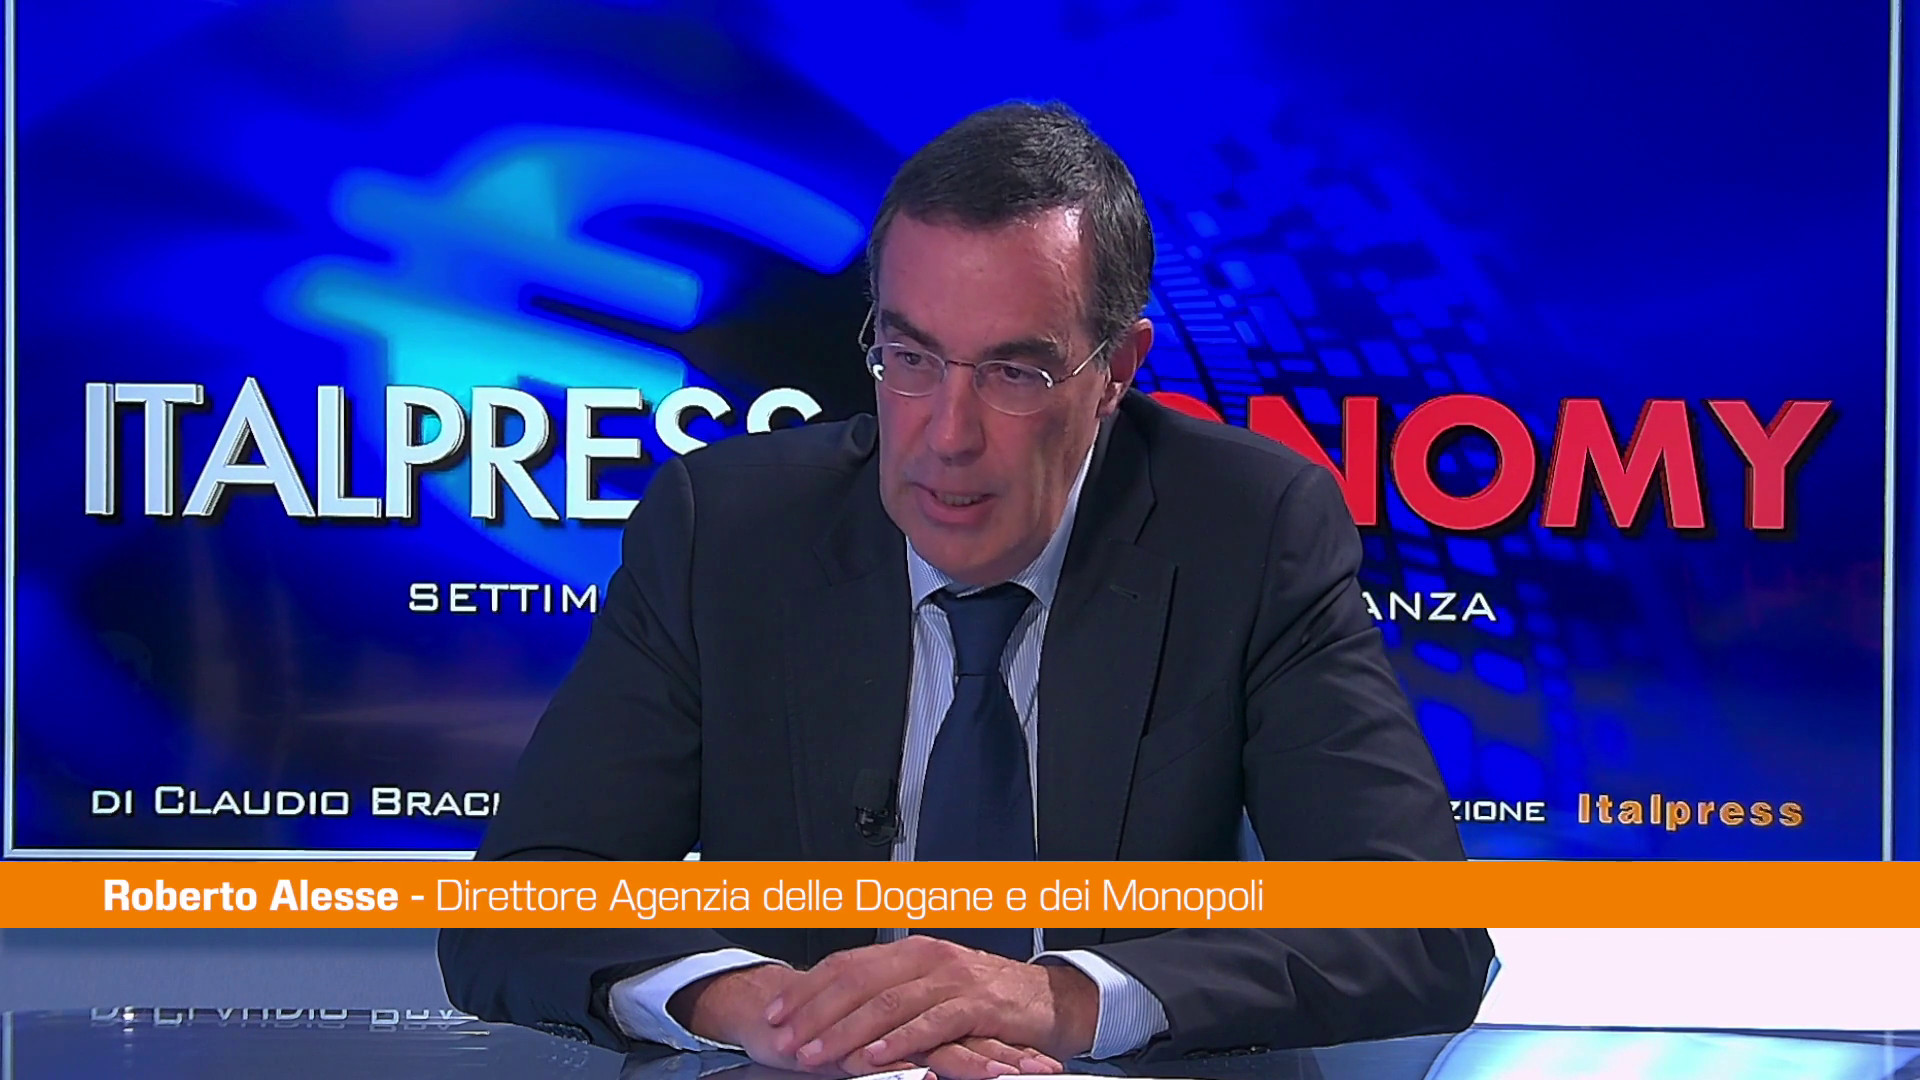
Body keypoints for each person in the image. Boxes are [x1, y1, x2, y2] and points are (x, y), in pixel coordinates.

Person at [438, 101, 1494, 1077]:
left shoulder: (1247, 529)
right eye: (912, 358)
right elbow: (517, 904)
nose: (947, 435)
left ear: (1118, 370)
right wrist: (751, 1001)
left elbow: (1420, 929)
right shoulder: (725, 532)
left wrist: (1064, 998)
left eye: (1013, 373)